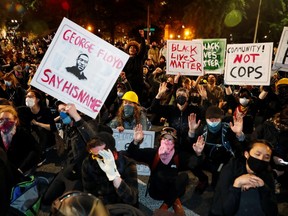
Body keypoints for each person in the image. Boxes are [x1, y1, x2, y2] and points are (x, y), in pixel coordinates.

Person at [127, 125, 205, 216]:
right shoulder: (153, 153)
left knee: (184, 177)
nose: (167, 141)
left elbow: (193, 164)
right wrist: (136, 141)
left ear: (174, 142)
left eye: (170, 139)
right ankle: (175, 201)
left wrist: (198, 154)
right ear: (160, 140)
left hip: (172, 188)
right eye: (164, 138)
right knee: (160, 175)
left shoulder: (178, 155)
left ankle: (164, 206)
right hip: (156, 191)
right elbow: (133, 154)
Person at [42, 103, 96, 205]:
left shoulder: (87, 121)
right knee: (46, 199)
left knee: (68, 205)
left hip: (80, 172)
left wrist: (77, 117)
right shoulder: (67, 126)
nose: (62, 113)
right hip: (68, 168)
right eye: (60, 111)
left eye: (64, 109)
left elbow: (94, 140)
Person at [209, 139, 278, 216]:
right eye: (257, 154)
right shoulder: (231, 168)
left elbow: (273, 211)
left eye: (266, 157)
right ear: (246, 154)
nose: (261, 159)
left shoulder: (267, 175)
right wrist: (237, 184)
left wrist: (263, 187)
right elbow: (226, 209)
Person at [188, 105, 246, 193]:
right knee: (192, 162)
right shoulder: (202, 130)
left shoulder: (228, 129)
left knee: (217, 184)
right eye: (211, 120)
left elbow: (241, 147)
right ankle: (203, 179)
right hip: (207, 158)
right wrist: (191, 132)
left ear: (221, 119)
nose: (213, 122)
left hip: (224, 162)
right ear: (206, 120)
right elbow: (188, 145)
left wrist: (239, 134)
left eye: (217, 119)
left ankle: (218, 183)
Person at [82, 131, 139, 207]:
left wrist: (115, 176)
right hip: (101, 204)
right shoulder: (88, 163)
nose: (97, 159)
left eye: (101, 155)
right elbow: (89, 192)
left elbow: (132, 199)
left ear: (111, 151)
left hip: (122, 205)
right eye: (94, 155)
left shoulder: (127, 164)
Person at [17, 89, 57, 165]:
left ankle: (40, 154)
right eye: (27, 96)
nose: (27, 98)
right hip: (35, 138)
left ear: (38, 99)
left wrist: (37, 123)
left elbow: (52, 127)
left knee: (41, 130)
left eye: (31, 96)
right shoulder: (25, 111)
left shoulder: (45, 111)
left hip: (47, 138)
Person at [0, 105, 40, 174]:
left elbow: (35, 151)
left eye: (8, 119)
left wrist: (21, 169)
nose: (4, 122)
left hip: (22, 169)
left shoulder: (22, 132)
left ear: (15, 120)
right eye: (1, 119)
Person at [123, 30, 146, 103]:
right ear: (128, 49)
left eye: (134, 48)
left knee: (137, 102)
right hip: (128, 84)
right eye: (130, 48)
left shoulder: (139, 58)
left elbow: (143, 49)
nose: (132, 49)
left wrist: (142, 37)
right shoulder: (125, 60)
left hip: (138, 85)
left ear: (136, 50)